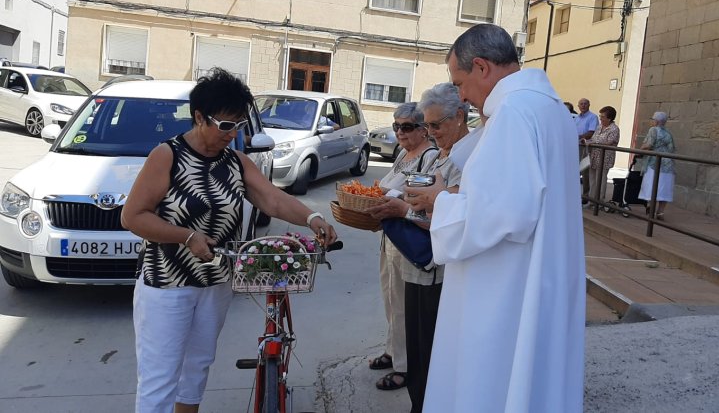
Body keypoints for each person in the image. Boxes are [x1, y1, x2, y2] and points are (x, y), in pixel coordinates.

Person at [121, 68, 337, 413]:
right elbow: (132, 216)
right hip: (167, 284)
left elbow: (273, 200)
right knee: (159, 378)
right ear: (198, 117)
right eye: (225, 125)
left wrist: (312, 218)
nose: (232, 133)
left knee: (197, 369)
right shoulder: (167, 156)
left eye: (238, 125)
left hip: (215, 281)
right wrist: (187, 236)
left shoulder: (236, 162)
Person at [405, 24, 585, 412]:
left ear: (482, 67)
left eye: (460, 82)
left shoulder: (513, 113)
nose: (463, 97)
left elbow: (507, 213)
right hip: (541, 273)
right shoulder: (549, 108)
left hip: (506, 282)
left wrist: (441, 200)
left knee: (491, 381)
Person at [367, 84, 470, 413]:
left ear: (459, 118)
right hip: (417, 265)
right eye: (427, 126)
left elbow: (452, 219)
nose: (431, 132)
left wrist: (403, 212)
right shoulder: (440, 155)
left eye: (435, 125)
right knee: (416, 341)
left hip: (433, 271)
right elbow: (422, 201)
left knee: (426, 349)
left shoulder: (461, 160)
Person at [363, 102, 438, 391]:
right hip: (391, 233)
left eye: (406, 127)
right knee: (390, 298)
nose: (400, 132)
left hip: (409, 239)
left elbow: (418, 198)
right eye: (396, 126)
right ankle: (393, 351)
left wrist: (390, 199)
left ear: (422, 129)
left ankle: (405, 367)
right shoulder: (404, 155)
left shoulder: (429, 157)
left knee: (404, 304)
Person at [637, 111, 675, 220]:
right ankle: (660, 212)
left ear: (657, 121)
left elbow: (649, 144)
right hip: (668, 164)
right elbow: (672, 148)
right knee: (664, 187)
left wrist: (641, 149)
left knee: (651, 185)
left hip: (654, 162)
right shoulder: (668, 132)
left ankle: (650, 208)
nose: (652, 121)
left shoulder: (653, 130)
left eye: (653, 119)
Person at [585, 106, 620, 206]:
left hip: (604, 158)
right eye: (600, 116)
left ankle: (599, 201)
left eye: (603, 117)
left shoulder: (614, 129)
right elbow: (594, 137)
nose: (600, 118)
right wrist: (588, 141)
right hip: (594, 156)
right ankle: (591, 200)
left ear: (609, 118)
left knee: (601, 179)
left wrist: (593, 142)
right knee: (592, 179)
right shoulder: (599, 126)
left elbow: (608, 142)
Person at [576, 98, 599, 203]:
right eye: (581, 104)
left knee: (585, 171)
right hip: (575, 147)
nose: (583, 105)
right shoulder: (576, 118)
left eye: (585, 104)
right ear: (578, 106)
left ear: (589, 105)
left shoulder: (593, 117)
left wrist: (577, 137)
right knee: (575, 171)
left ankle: (586, 196)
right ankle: (575, 193)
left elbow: (591, 132)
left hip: (586, 147)